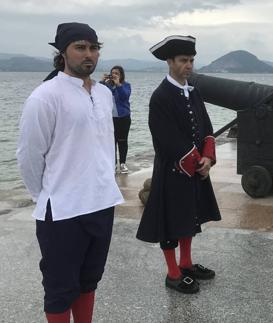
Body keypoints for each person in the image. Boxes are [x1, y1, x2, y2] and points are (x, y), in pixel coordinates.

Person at [16, 22, 124, 323]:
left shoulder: (104, 94)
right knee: (60, 288)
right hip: (62, 211)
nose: (88, 54)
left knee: (89, 281)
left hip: (102, 203)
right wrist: (45, 196)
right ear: (63, 53)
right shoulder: (45, 96)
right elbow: (28, 156)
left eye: (93, 47)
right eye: (80, 47)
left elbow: (102, 146)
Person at [136, 35, 221, 294]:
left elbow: (206, 128)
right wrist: (197, 162)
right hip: (173, 171)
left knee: (189, 216)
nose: (189, 65)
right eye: (184, 60)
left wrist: (207, 158)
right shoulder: (160, 97)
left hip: (195, 169)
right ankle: (173, 273)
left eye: (192, 60)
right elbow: (166, 138)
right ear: (169, 62)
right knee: (170, 221)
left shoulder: (193, 92)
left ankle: (186, 262)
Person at [101, 66, 132, 173]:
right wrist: (102, 81)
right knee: (111, 142)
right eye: (112, 73)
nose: (114, 75)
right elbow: (97, 94)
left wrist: (118, 84)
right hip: (110, 118)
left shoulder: (126, 85)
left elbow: (125, 96)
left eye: (116, 73)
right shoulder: (107, 86)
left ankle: (123, 164)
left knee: (122, 141)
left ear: (121, 75)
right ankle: (113, 164)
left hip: (124, 117)